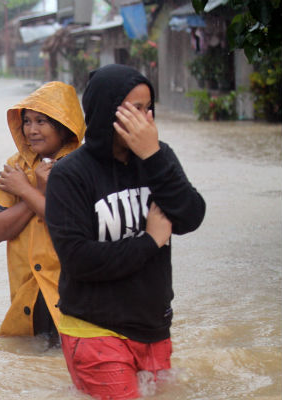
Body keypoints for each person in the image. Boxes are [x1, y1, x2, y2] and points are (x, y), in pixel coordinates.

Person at [45, 64, 206, 399]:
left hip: (153, 327)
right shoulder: (70, 174)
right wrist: (150, 242)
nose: (144, 119)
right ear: (106, 110)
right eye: (134, 109)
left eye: (149, 109)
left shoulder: (160, 158)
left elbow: (190, 216)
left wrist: (152, 155)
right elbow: (78, 259)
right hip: (94, 328)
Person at [0, 82, 86, 343]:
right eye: (27, 122)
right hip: (26, 295)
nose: (32, 130)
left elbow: (77, 227)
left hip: (70, 294)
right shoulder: (15, 167)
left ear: (64, 125)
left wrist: (27, 191)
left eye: (41, 121)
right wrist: (35, 194)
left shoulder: (83, 167)